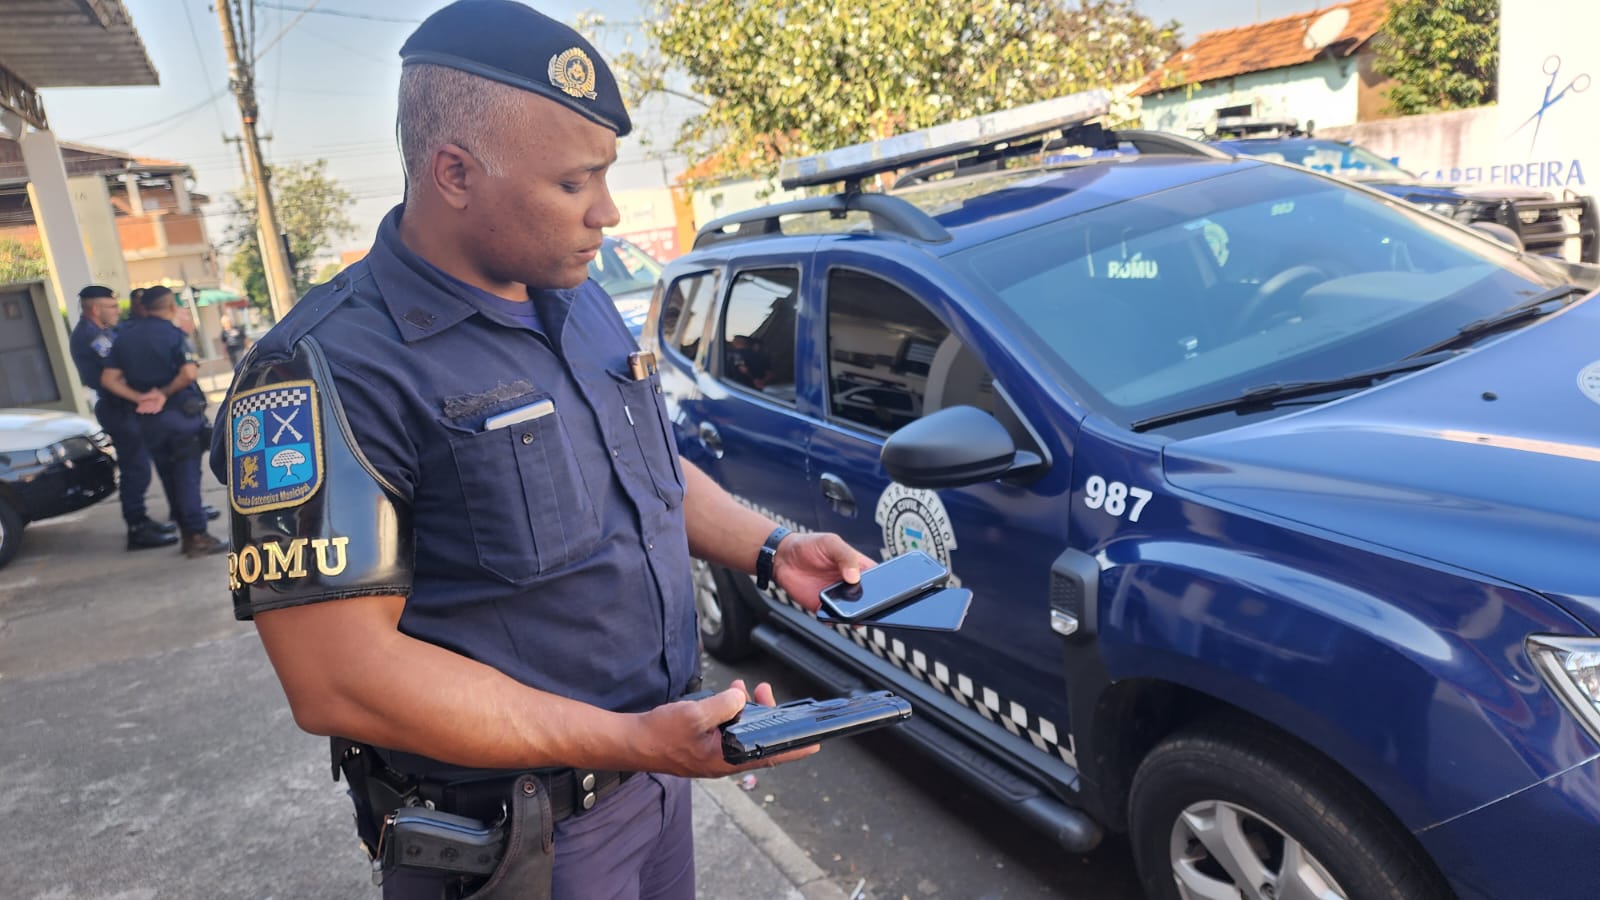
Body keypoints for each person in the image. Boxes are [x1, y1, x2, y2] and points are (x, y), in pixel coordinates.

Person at [208, 3, 874, 897]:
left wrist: (769, 547)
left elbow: (638, 470)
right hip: (514, 847)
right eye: (574, 183)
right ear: (454, 173)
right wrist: (626, 739)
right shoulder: (322, 373)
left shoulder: (573, 293)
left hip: (656, 787)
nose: (606, 211)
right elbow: (342, 680)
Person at [101, 286, 228, 558]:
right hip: (180, 417)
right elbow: (188, 373)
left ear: (144, 307)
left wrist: (140, 397)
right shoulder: (175, 336)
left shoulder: (124, 339)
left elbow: (108, 379)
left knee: (169, 478)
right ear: (171, 307)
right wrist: (164, 393)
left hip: (149, 421)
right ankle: (197, 536)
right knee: (187, 479)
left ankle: (187, 535)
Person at [67, 285, 177, 550]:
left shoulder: (103, 332)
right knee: (135, 469)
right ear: (95, 309)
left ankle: (141, 520)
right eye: (112, 307)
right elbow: (122, 369)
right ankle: (137, 528)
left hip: (123, 407)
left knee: (138, 467)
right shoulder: (91, 336)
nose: (118, 311)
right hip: (118, 408)